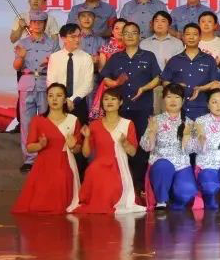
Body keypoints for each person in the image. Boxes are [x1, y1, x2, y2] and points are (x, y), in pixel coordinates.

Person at [98, 22, 161, 190]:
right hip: (120, 110)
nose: (130, 36)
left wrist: (144, 88)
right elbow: (105, 78)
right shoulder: (115, 58)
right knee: (121, 144)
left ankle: (140, 184)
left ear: (140, 36)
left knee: (142, 145)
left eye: (134, 32)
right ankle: (121, 182)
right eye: (126, 33)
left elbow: (157, 78)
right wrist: (115, 83)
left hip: (142, 108)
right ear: (122, 36)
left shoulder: (148, 56)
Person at [12, 83, 82, 214]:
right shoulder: (38, 120)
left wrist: (73, 146)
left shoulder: (73, 120)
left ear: (65, 99)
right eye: (50, 96)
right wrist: (40, 145)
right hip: (43, 165)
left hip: (65, 163)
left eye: (59, 95)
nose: (54, 99)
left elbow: (78, 149)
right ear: (47, 98)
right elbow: (29, 147)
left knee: (62, 201)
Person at [74, 88, 146, 214]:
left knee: (111, 185)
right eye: (106, 99)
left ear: (120, 102)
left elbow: (133, 152)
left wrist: (125, 142)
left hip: (119, 166)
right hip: (98, 165)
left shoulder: (127, 124)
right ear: (102, 103)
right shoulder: (94, 125)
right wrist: (86, 137)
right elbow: (86, 153)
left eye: (113, 99)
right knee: (93, 171)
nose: (109, 102)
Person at [13, 10, 59, 173]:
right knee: (27, 123)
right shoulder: (23, 43)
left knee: (47, 121)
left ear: (45, 25)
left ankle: (48, 156)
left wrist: (51, 62)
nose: (37, 25)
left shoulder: (52, 43)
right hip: (27, 82)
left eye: (40, 22)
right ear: (30, 24)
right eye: (34, 22)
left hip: (46, 83)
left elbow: (58, 65)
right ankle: (29, 159)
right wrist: (21, 57)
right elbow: (16, 67)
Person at [140, 83, 198, 210]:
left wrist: (186, 137)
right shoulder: (155, 120)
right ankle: (162, 200)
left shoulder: (189, 122)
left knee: (187, 192)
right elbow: (146, 147)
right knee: (163, 166)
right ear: (163, 99)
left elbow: (192, 149)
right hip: (161, 164)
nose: (173, 100)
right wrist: (152, 132)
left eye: (177, 97)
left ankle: (174, 199)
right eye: (169, 97)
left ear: (183, 101)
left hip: (181, 165)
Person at [161, 23, 220, 119]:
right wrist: (175, 86)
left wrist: (201, 88)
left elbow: (215, 83)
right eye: (188, 34)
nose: (191, 37)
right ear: (183, 37)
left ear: (200, 37)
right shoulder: (174, 60)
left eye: (195, 34)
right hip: (178, 109)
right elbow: (165, 81)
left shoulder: (209, 60)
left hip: (202, 109)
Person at [47, 23, 95, 124]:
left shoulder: (86, 57)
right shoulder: (54, 57)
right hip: (58, 103)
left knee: (79, 132)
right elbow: (51, 81)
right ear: (63, 38)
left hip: (79, 103)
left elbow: (88, 84)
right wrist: (63, 99)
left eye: (79, 36)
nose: (77, 39)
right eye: (73, 36)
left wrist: (71, 100)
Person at [140, 11, 184, 114]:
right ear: (152, 24)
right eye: (156, 21)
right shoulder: (144, 44)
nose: (159, 24)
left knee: (169, 115)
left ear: (169, 25)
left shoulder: (178, 43)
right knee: (150, 116)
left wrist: (171, 66)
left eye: (163, 21)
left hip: (170, 86)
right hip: (148, 86)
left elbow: (182, 66)